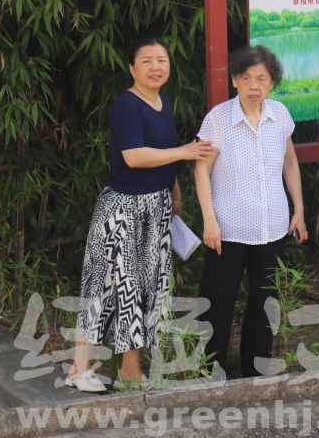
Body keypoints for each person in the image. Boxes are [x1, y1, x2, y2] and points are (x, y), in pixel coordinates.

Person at [65, 37, 217, 392]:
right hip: (123, 209)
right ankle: (79, 368)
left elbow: (164, 153)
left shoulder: (163, 102)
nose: (155, 66)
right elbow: (134, 156)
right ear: (132, 69)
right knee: (104, 287)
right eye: (146, 60)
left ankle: (131, 371)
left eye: (162, 59)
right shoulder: (126, 105)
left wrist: (175, 191)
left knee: (148, 291)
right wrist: (184, 152)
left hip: (157, 208)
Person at [194, 45, 308, 377]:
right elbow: (201, 170)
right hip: (226, 231)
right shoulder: (218, 119)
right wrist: (209, 220)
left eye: (261, 79)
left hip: (271, 228)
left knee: (264, 304)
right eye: (246, 78)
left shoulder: (280, 115)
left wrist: (298, 208)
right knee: (217, 302)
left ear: (272, 82)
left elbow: (290, 162)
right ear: (235, 81)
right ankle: (209, 370)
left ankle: (256, 369)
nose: (253, 86)